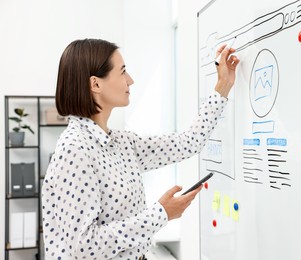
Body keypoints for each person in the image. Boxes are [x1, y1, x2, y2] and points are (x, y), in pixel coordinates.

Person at [41, 38, 239, 260]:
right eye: (123, 72)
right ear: (95, 84)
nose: (131, 80)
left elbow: (188, 142)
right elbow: (84, 248)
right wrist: (161, 214)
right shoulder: (75, 151)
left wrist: (223, 84)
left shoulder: (122, 143)